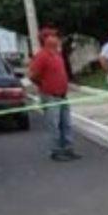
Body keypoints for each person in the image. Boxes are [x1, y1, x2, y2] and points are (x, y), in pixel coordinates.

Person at [27, 28, 78, 161]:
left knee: (66, 123)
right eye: (52, 36)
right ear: (45, 39)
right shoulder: (42, 56)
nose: (56, 38)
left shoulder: (57, 54)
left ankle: (68, 148)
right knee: (53, 125)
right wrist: (43, 85)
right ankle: (56, 151)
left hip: (62, 95)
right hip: (50, 95)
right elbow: (33, 75)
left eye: (56, 36)